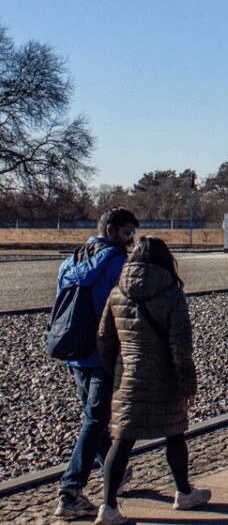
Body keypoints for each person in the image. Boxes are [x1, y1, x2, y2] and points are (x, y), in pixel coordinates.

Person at [94, 236, 211, 524]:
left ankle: (107, 506)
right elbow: (181, 347)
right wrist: (188, 384)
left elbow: (104, 339)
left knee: (121, 441)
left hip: (128, 377)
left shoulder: (117, 293)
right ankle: (183, 492)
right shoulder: (172, 292)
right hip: (165, 377)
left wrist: (116, 370)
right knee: (174, 435)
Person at [53, 208, 138, 520]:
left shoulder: (71, 260)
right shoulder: (117, 262)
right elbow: (125, 307)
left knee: (95, 418)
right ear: (112, 230)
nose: (131, 240)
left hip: (74, 349)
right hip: (102, 351)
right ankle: (70, 491)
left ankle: (116, 471)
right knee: (95, 420)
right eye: (128, 233)